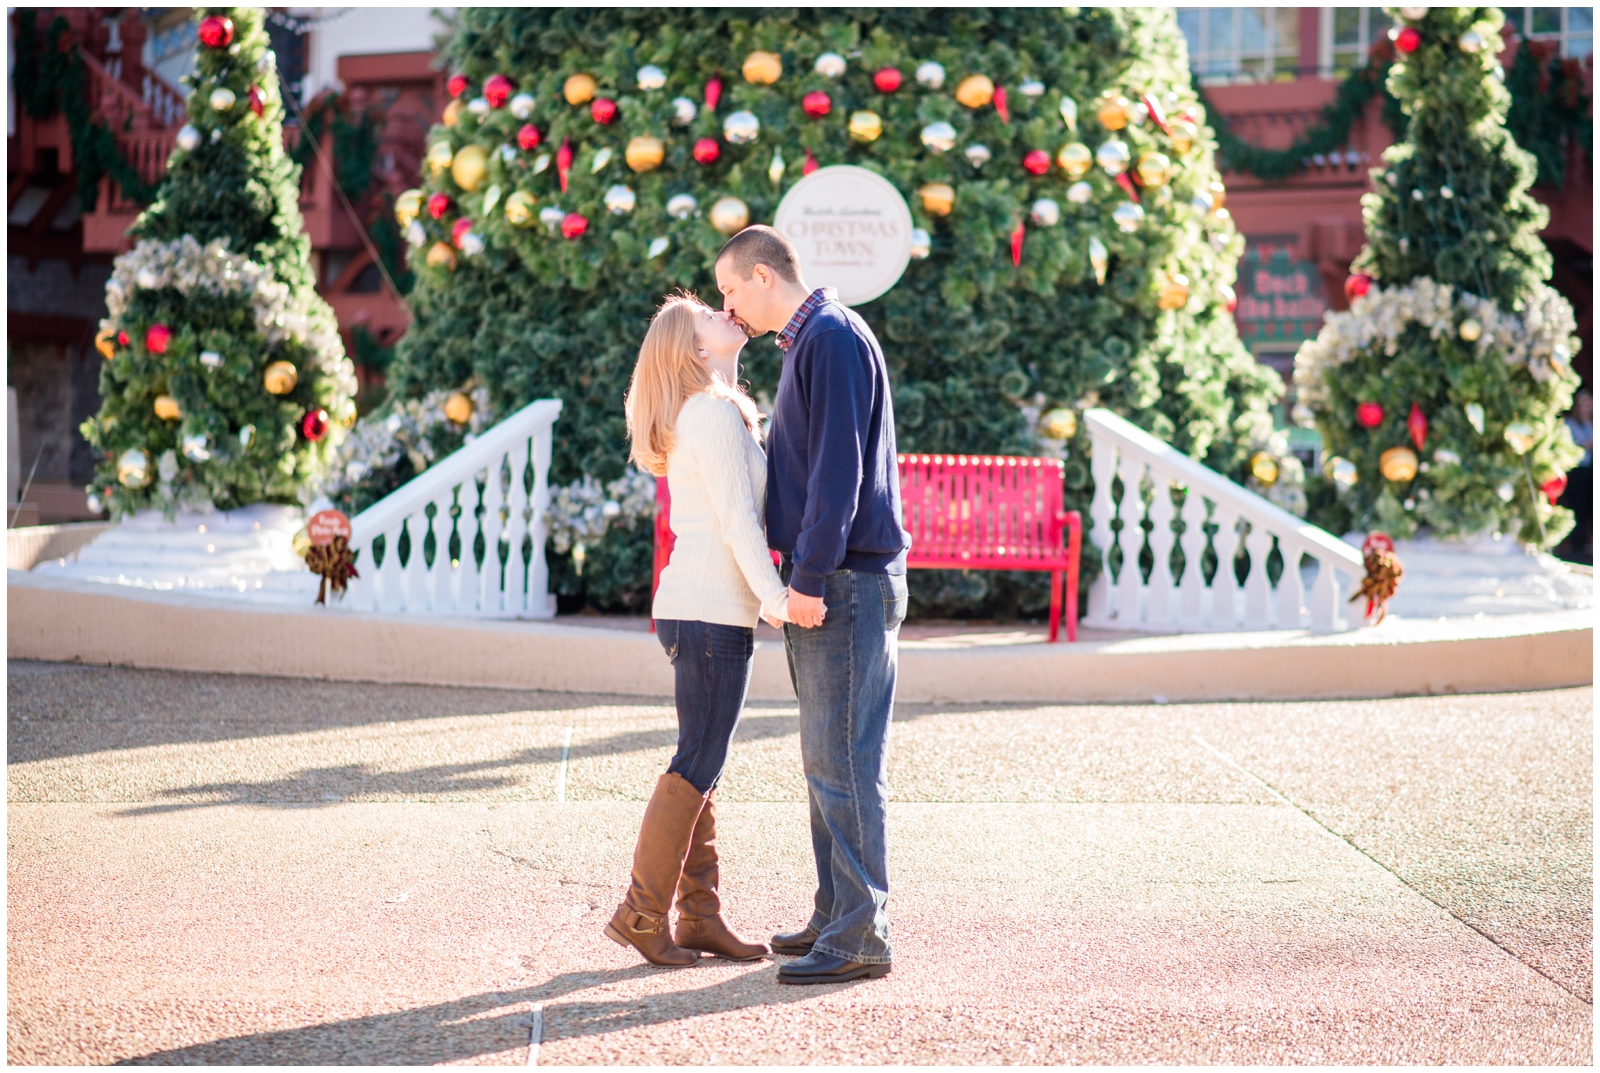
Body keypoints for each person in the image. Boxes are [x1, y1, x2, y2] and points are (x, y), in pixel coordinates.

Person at [714, 225, 911, 986]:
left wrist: (809, 576)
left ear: (763, 276)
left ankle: (861, 932)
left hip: (844, 580)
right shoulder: (816, 338)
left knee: (845, 761)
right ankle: (837, 913)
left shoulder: (828, 336)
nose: (728, 308)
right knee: (827, 756)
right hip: (837, 575)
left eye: (731, 290)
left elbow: (839, 472)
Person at [608, 292, 796, 967]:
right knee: (697, 761)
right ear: (695, 349)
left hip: (703, 607)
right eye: (710, 318)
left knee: (701, 758)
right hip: (711, 609)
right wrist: (776, 599)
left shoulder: (715, 411)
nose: (727, 315)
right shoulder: (711, 413)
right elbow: (738, 521)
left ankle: (698, 917)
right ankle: (642, 912)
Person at [1560, 389, 1592, 564]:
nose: (1589, 407)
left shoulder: (1592, 424)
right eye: (1585, 404)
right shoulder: (1569, 424)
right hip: (1576, 471)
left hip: (1592, 470)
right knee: (1578, 510)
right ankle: (1576, 549)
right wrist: (1586, 446)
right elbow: (1569, 446)